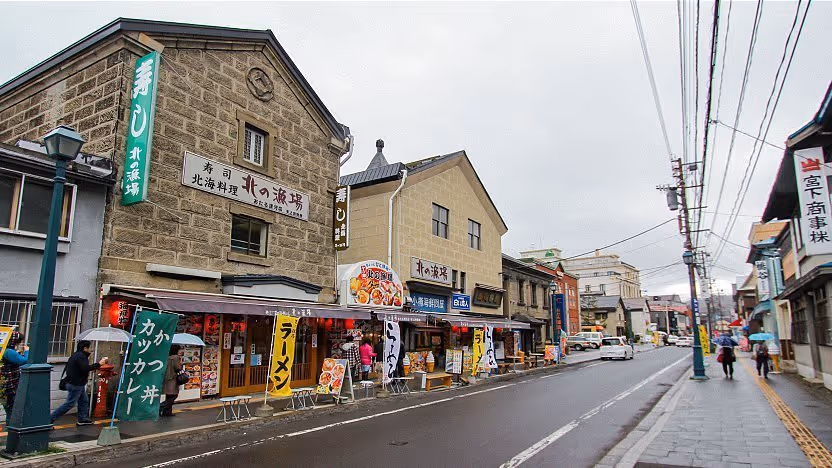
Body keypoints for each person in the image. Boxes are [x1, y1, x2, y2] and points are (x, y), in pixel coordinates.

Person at [50, 340, 107, 425]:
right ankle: (50, 418)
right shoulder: (81, 356)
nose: (91, 350)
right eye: (89, 348)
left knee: (84, 400)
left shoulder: (76, 355)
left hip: (76, 383)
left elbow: (80, 369)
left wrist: (91, 368)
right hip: (76, 383)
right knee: (70, 403)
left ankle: (83, 418)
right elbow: (85, 368)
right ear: (85, 348)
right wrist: (99, 364)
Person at [0, 332, 28, 425]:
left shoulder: (2, 349)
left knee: (8, 407)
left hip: (3, 385)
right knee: (12, 408)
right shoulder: (8, 351)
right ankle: (11, 429)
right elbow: (23, 361)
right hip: (9, 386)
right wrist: (27, 351)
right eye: (18, 342)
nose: (18, 344)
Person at [160, 344, 183, 417]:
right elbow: (178, 368)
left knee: (169, 395)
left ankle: (167, 412)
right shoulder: (176, 358)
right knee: (174, 395)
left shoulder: (168, 357)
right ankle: (161, 406)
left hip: (166, 378)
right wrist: (181, 363)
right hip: (172, 378)